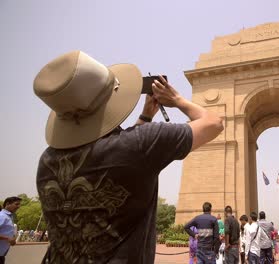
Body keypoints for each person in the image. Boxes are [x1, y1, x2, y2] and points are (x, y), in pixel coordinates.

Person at [33, 51, 223, 263]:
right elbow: (213, 123)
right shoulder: (141, 144)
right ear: (113, 97)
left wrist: (145, 117)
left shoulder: (46, 162)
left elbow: (118, 155)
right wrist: (176, 99)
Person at [0, 197, 21, 264]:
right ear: (8, 204)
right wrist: (8, 238)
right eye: (16, 204)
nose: (18, 207)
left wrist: (12, 239)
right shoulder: (2, 216)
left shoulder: (8, 217)